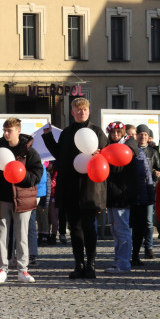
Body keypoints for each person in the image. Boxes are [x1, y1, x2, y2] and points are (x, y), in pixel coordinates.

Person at [42, 97, 107, 280]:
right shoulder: (67, 133)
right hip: (70, 186)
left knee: (89, 228)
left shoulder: (96, 131)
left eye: (84, 110)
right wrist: (48, 136)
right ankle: (79, 264)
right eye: (78, 110)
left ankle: (91, 265)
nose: (81, 112)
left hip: (90, 188)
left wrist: (99, 153)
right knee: (75, 228)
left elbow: (106, 155)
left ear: (89, 111)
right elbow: (60, 156)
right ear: (72, 112)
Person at [0, 118, 44, 284]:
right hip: (2, 198)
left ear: (18, 131)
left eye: (9, 131)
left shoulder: (29, 152)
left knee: (22, 235)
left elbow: (37, 174)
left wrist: (21, 175)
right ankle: (1, 269)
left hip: (22, 198)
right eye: (4, 130)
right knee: (1, 235)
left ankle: (22, 270)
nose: (5, 133)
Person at [103, 122, 138, 275]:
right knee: (115, 232)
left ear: (123, 133)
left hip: (122, 196)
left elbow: (118, 169)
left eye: (118, 132)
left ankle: (124, 263)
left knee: (122, 231)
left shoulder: (127, 147)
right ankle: (119, 261)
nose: (115, 135)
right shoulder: (109, 148)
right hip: (111, 196)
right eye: (112, 133)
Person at [130, 126, 157, 266]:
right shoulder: (126, 151)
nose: (140, 137)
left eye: (144, 134)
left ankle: (141, 252)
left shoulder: (147, 153)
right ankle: (126, 255)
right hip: (127, 195)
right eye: (136, 134)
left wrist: (150, 194)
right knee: (127, 227)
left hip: (142, 194)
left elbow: (148, 175)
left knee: (144, 224)